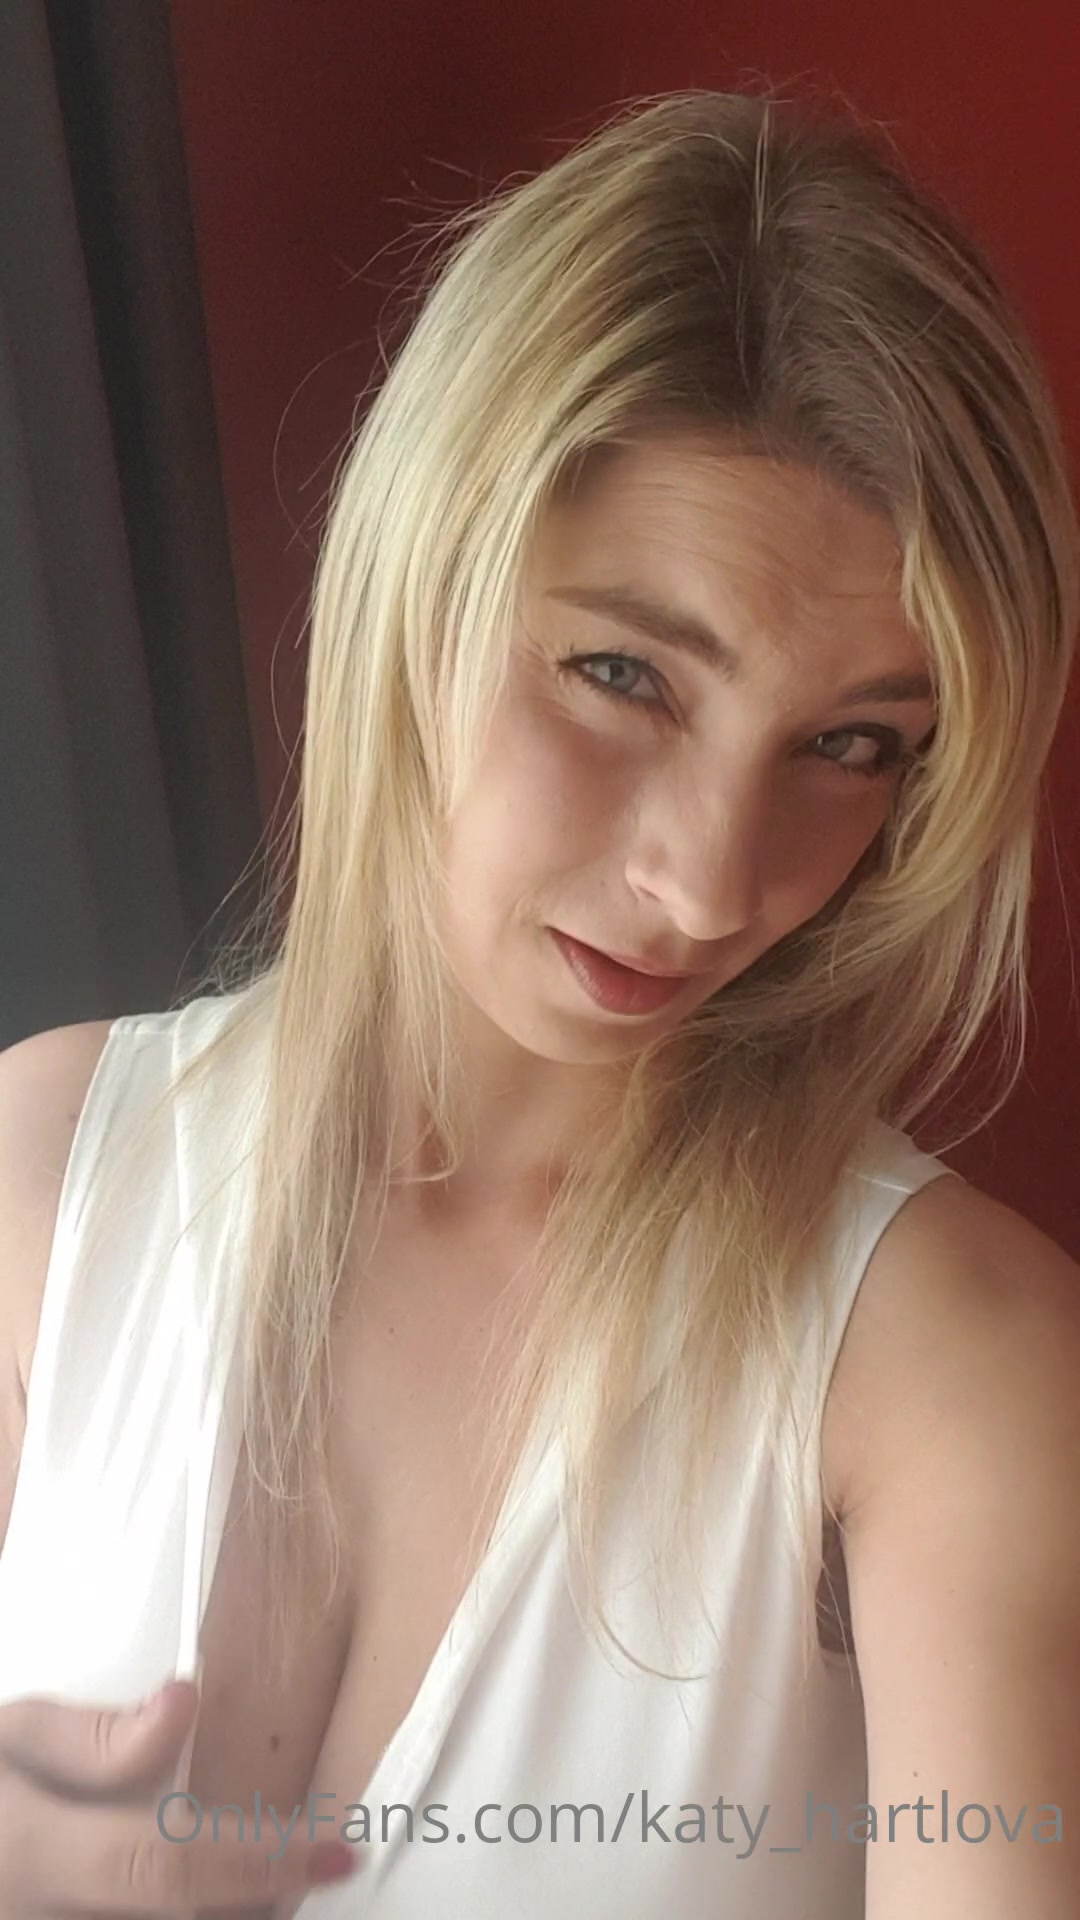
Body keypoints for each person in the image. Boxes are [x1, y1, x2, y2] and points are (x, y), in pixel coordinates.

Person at [0, 84, 1078, 1920]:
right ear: (418, 576)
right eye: (623, 675)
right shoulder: (45, 1180)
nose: (712, 880)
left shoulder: (943, 1366)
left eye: (850, 745)